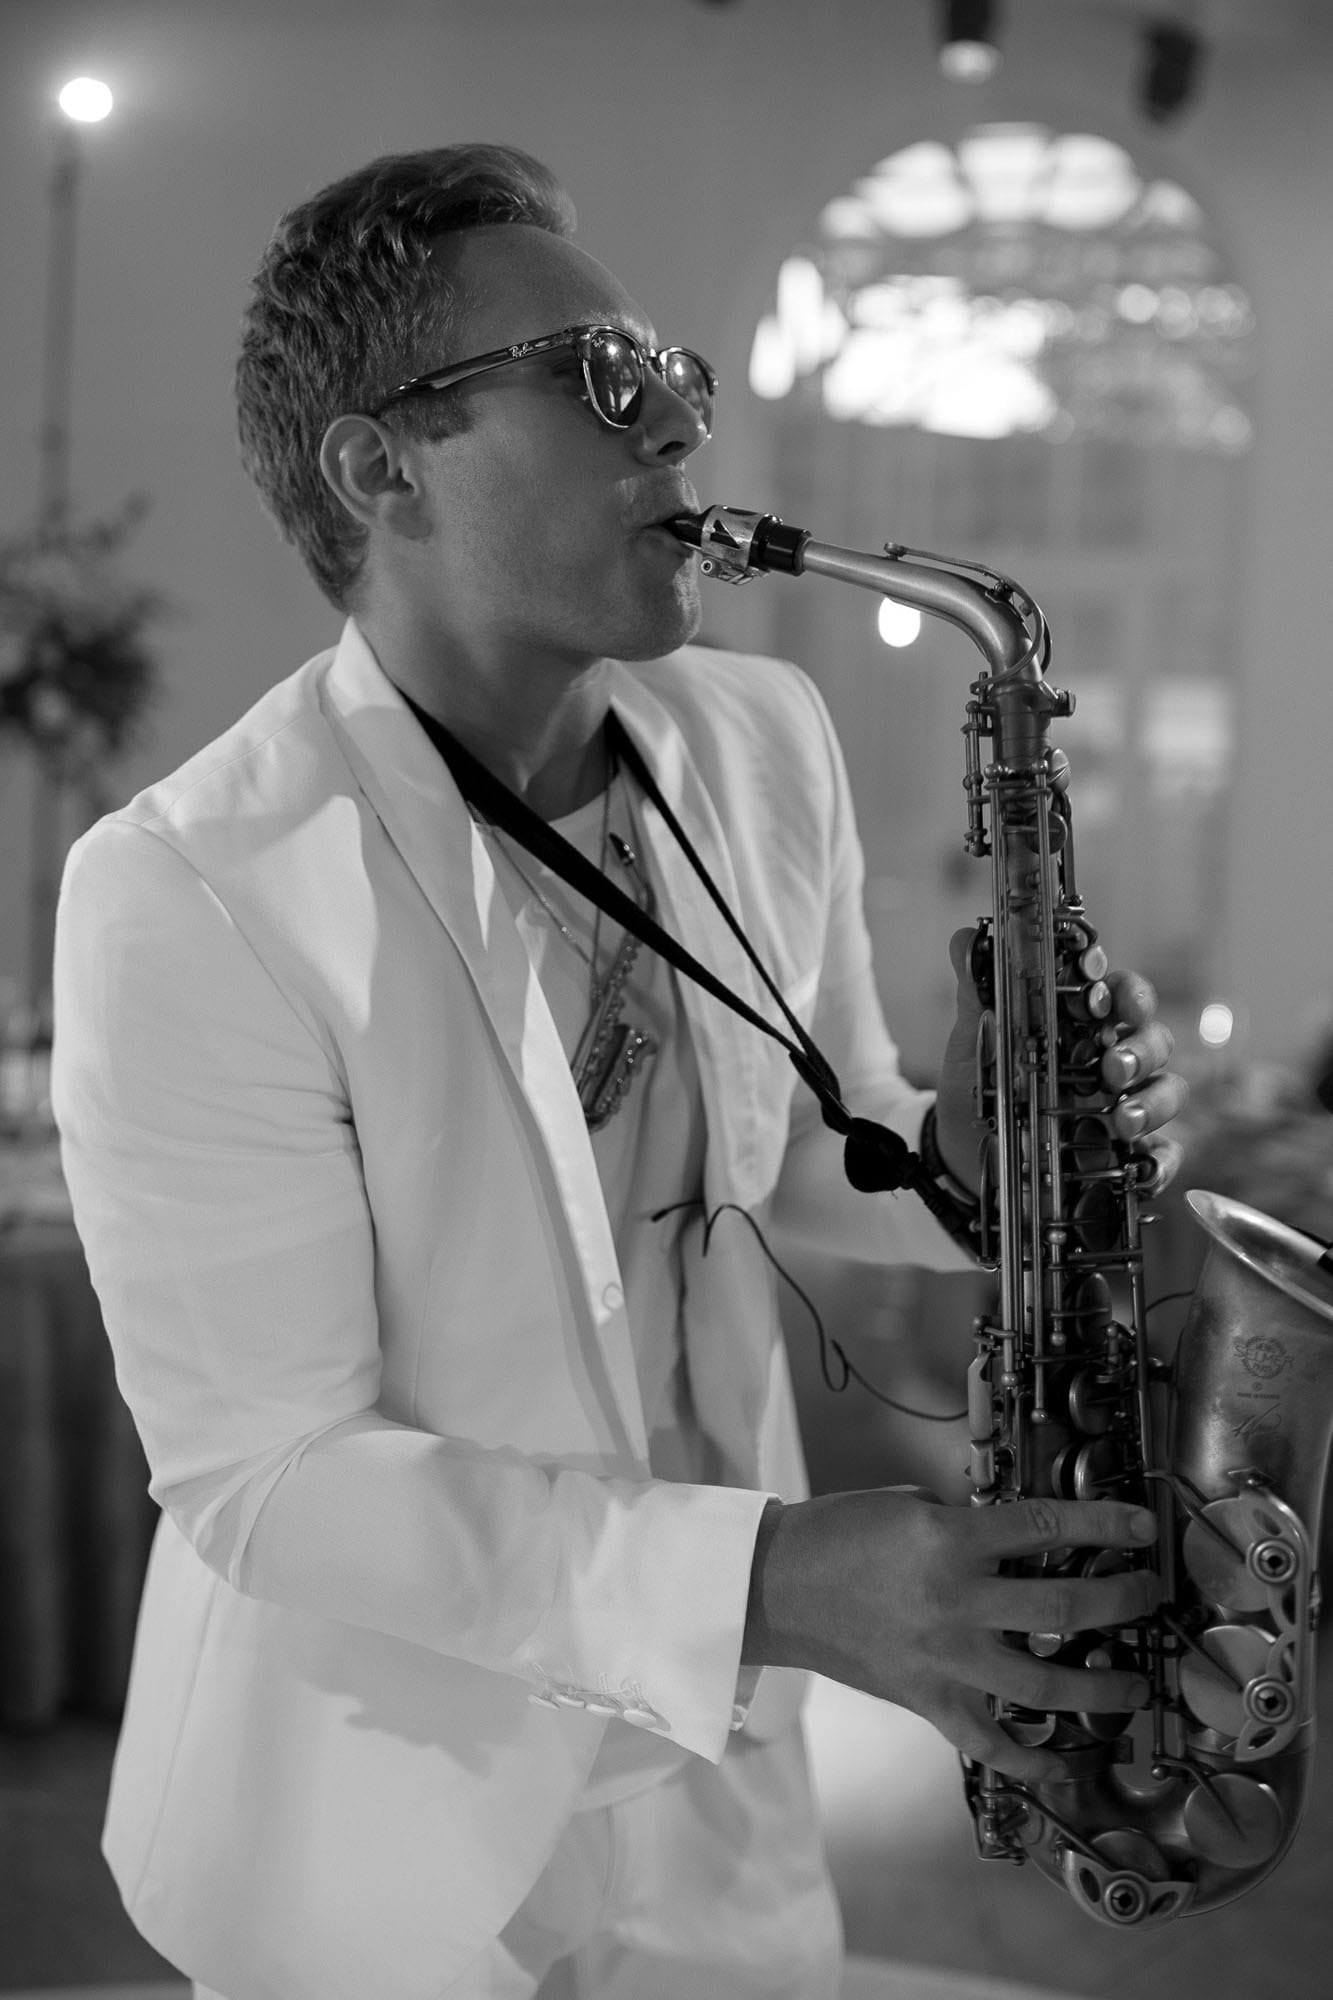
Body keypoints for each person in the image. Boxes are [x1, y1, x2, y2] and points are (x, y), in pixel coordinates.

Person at [51, 145, 1187, 2000]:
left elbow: (801, 1142)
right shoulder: (190, 886)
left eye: (668, 372)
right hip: (381, 1819)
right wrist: (772, 1579)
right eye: (595, 379)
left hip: (717, 1770)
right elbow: (268, 1475)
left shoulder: (761, 735)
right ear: (380, 468)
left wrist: (971, 1152)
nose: (675, 423)